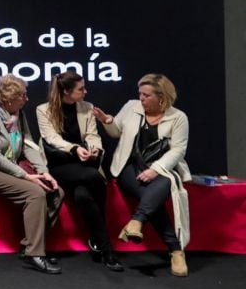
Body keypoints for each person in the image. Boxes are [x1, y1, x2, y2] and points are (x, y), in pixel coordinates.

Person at [94, 73, 191, 277]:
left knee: (161, 186)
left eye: (146, 95)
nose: (141, 99)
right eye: (140, 94)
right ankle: (175, 250)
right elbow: (116, 131)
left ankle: (136, 222)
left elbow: (178, 150)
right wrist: (107, 120)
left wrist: (155, 169)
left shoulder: (178, 117)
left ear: (161, 97)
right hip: (128, 166)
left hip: (162, 167)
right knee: (151, 200)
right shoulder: (131, 107)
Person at [0, 74, 64, 274]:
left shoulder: (18, 112)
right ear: (10, 99)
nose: (27, 99)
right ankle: (34, 254)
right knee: (35, 193)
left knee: (56, 191)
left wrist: (44, 172)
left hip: (11, 164)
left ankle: (29, 245)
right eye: (23, 95)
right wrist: (25, 176)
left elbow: (28, 144)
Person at [35, 72, 122, 271]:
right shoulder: (43, 110)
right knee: (94, 177)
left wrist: (94, 149)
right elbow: (51, 138)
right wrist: (74, 149)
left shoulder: (87, 108)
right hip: (59, 164)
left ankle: (101, 243)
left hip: (84, 164)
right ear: (66, 91)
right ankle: (107, 249)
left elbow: (93, 135)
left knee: (83, 196)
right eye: (81, 89)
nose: (86, 91)